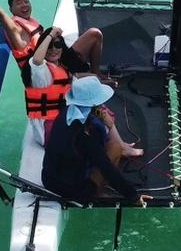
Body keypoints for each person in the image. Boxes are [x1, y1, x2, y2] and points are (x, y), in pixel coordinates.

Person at [28, 27, 142, 155]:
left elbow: (69, 80)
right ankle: (119, 148)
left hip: (60, 118)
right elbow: (37, 60)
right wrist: (52, 34)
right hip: (49, 128)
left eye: (57, 45)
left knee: (97, 107)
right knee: (98, 113)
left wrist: (95, 78)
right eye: (49, 45)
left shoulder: (57, 66)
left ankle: (120, 145)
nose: (54, 49)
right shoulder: (40, 73)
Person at [42, 76, 150, 205]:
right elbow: (105, 166)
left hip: (48, 179)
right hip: (72, 190)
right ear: (95, 104)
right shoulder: (88, 131)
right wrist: (134, 196)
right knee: (115, 148)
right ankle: (97, 193)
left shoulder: (65, 112)